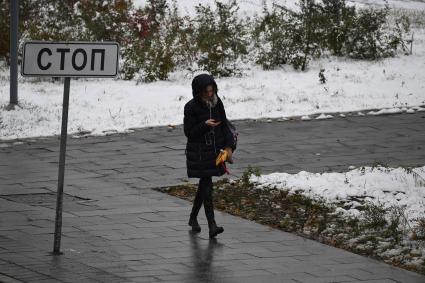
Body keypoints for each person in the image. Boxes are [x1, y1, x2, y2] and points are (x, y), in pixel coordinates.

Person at [183, 73, 236, 238]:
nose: (210, 94)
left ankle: (193, 218)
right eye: (207, 91)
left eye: (212, 91)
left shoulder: (217, 103)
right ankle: (212, 225)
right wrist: (204, 126)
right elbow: (189, 133)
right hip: (199, 153)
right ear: (198, 92)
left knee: (204, 185)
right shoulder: (190, 107)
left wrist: (229, 147)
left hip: (215, 151)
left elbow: (225, 125)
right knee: (207, 185)